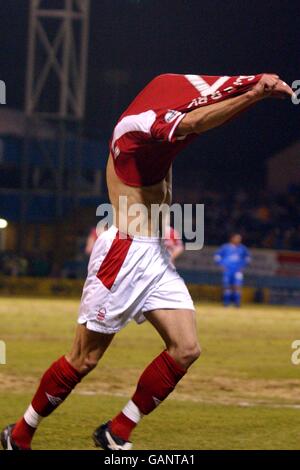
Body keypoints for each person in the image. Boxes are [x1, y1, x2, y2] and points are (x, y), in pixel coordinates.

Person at [1, 73, 293, 451]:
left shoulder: (159, 128)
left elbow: (202, 103)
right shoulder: (136, 126)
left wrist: (255, 82)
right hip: (124, 253)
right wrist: (253, 95)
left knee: (186, 348)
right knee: (83, 359)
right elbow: (196, 121)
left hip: (153, 253)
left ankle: (116, 431)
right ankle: (20, 434)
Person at [214, 233, 251, 307]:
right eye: (237, 238)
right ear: (232, 238)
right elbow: (217, 256)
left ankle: (237, 304)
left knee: (237, 286)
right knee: (226, 286)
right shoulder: (225, 247)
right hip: (227, 270)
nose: (238, 240)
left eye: (239, 238)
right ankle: (226, 303)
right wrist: (221, 265)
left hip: (237, 271)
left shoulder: (242, 248)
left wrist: (243, 266)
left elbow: (247, 258)